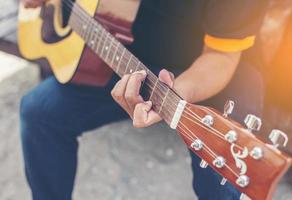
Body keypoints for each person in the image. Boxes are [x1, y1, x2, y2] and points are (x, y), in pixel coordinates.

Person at [20, 0, 268, 199]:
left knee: (224, 181)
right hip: (120, 56)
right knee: (38, 112)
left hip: (215, 72)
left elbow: (220, 58)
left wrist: (174, 93)